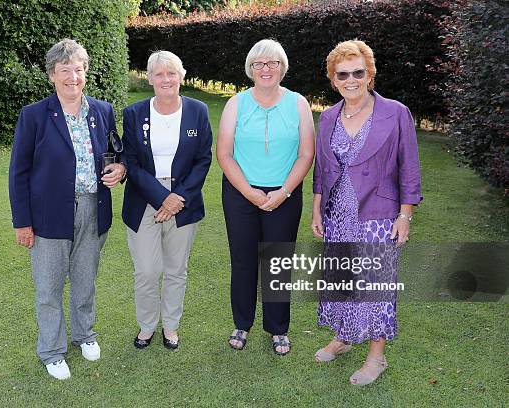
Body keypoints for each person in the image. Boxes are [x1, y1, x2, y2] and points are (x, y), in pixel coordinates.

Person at [8, 39, 126, 380]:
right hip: (49, 216)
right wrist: (22, 222)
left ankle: (84, 334)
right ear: (52, 75)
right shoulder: (34, 115)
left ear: (85, 72)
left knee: (85, 280)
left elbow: (115, 153)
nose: (72, 77)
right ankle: (52, 350)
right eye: (64, 71)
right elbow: (19, 172)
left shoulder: (102, 111)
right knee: (49, 286)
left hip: (94, 208)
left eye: (78, 70)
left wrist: (121, 169)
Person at [311, 40, 422, 385]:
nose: (351, 79)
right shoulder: (328, 116)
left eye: (358, 72)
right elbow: (322, 169)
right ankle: (343, 337)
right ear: (333, 79)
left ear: (370, 74)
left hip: (378, 212)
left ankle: (377, 356)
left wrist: (404, 215)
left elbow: (409, 167)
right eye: (342, 74)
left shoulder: (395, 112)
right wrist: (316, 210)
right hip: (337, 214)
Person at [217, 39, 315, 355]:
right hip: (240, 193)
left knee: (277, 263)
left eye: (272, 62)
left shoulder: (299, 103)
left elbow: (306, 153)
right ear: (251, 69)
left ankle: (277, 329)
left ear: (282, 67)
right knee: (243, 261)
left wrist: (284, 191)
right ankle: (241, 324)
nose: (266, 69)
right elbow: (224, 154)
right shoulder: (236, 104)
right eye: (259, 64)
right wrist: (249, 192)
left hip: (285, 194)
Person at [122, 51, 212, 350]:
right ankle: (147, 325)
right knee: (146, 269)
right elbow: (131, 162)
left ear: (181, 76)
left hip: (184, 201)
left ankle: (170, 326)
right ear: (149, 78)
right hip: (144, 198)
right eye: (158, 74)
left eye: (171, 73)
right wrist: (163, 198)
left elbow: (203, 159)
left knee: (176, 269)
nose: (165, 79)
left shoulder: (198, 111)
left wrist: (178, 197)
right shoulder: (134, 113)